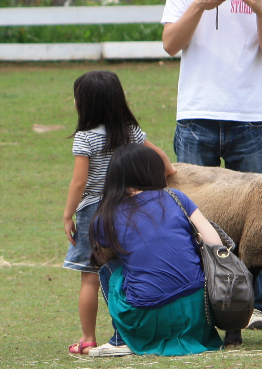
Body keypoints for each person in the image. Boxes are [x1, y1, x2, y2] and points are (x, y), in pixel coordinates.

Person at [160, 0, 262, 330]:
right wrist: (198, 6)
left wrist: (261, 11)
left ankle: (252, 306)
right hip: (196, 113)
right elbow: (170, 44)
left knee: (256, 217)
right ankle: (199, 299)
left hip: (250, 117)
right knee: (191, 212)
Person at [62, 70, 175, 358]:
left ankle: (88, 338)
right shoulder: (129, 132)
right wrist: (169, 172)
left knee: (90, 277)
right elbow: (160, 157)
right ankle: (126, 332)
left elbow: (79, 182)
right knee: (126, 270)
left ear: (85, 104)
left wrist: (67, 214)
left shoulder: (85, 139)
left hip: (93, 212)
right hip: (127, 209)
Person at [90, 144, 225, 356]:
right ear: (153, 170)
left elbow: (108, 256)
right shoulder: (177, 197)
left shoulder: (107, 214)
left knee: (108, 269)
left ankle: (119, 339)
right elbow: (214, 242)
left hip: (148, 317)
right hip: (198, 313)